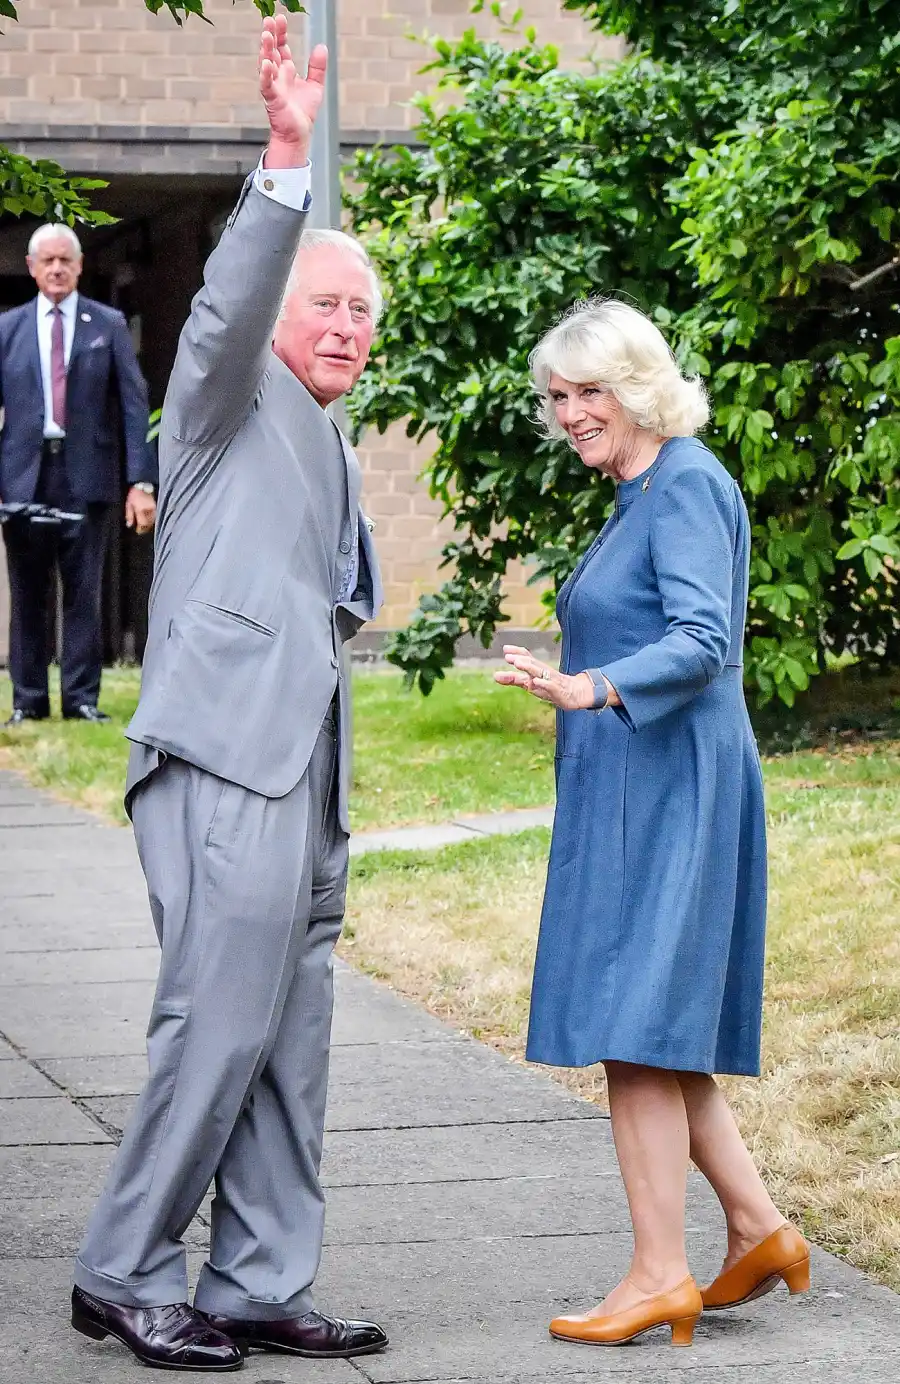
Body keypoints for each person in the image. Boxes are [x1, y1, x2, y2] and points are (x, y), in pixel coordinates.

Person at [70, 16, 387, 1373]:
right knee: (219, 1019)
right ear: (276, 318)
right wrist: (282, 156)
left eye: (366, 312)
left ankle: (258, 1276)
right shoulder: (218, 398)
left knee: (289, 1036)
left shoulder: (326, 439)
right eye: (327, 304)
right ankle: (126, 1268)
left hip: (305, 770)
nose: (347, 327)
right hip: (221, 761)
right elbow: (229, 306)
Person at [495, 298, 809, 1348]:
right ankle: (758, 1228)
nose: (572, 413)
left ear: (636, 388)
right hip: (644, 782)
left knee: (635, 1030)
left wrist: (589, 687)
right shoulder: (642, 490)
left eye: (590, 392)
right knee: (659, 1035)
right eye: (559, 397)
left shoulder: (682, 482)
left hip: (671, 784)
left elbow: (704, 639)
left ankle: (658, 1273)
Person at [0, 223, 156, 727]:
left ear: (80, 265)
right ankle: (27, 700)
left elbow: (134, 406)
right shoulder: (8, 329)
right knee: (27, 592)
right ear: (32, 267)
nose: (57, 269)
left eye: (65, 260)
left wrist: (141, 482)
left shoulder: (105, 324)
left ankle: (81, 698)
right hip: (24, 475)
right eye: (47, 261)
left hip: (88, 475)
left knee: (84, 591)